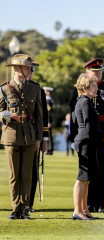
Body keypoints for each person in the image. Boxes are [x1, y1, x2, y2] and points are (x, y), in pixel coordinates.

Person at [0, 54, 43, 220]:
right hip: (11, 135)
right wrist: (8, 116)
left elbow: (39, 116)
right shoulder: (4, 89)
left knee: (27, 175)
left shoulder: (35, 88)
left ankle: (25, 208)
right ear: (17, 69)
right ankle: (15, 208)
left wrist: (39, 138)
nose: (30, 70)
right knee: (14, 176)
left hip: (30, 136)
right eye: (27, 68)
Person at [72, 73, 104, 220]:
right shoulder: (84, 102)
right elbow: (88, 127)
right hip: (85, 142)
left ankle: (84, 210)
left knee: (87, 178)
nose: (97, 89)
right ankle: (78, 210)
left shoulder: (85, 101)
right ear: (85, 88)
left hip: (88, 142)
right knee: (82, 178)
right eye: (94, 86)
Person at [28, 60, 49, 213]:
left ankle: (30, 202)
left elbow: (44, 116)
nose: (29, 74)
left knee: (34, 170)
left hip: (35, 134)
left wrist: (44, 138)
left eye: (30, 71)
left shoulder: (38, 90)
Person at [43, 86, 54, 155]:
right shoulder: (49, 99)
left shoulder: (48, 100)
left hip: (48, 120)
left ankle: (50, 150)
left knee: (48, 135)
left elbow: (48, 112)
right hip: (48, 120)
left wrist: (48, 121)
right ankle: (50, 149)